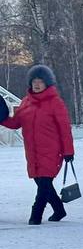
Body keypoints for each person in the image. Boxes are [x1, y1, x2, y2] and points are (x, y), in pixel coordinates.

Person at [2, 64, 75, 225]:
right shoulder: (26, 102)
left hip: (52, 150)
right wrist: (2, 118)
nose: (37, 84)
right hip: (32, 151)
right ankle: (59, 209)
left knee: (44, 183)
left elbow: (65, 129)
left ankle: (35, 216)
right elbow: (16, 123)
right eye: (34, 81)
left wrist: (68, 151)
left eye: (40, 81)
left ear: (47, 83)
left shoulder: (55, 103)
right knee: (41, 182)